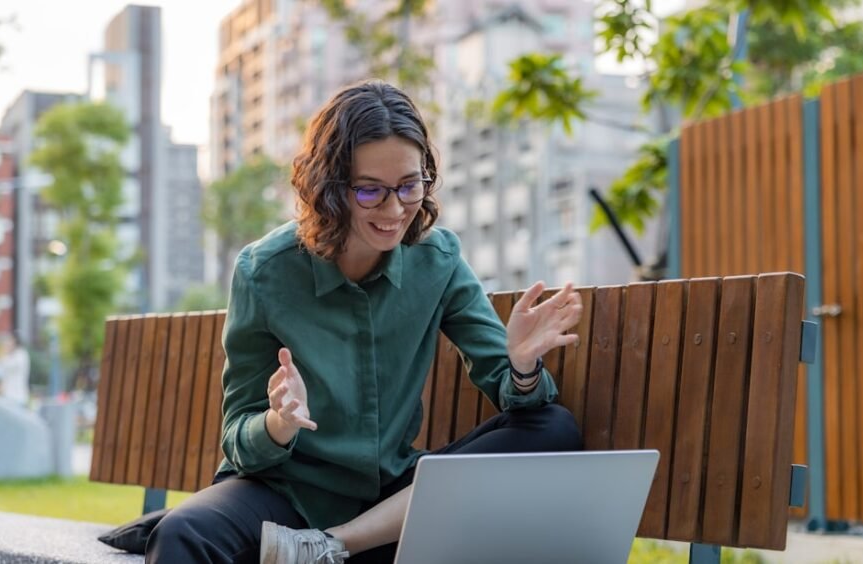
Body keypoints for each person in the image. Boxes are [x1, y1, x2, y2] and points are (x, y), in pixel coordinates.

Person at [145, 81, 585, 564]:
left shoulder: (437, 261)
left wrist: (521, 365)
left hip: (386, 507)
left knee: (553, 428)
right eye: (370, 190)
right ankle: (325, 544)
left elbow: (515, 395)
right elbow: (238, 437)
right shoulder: (264, 273)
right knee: (182, 534)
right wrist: (277, 423)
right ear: (329, 189)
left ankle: (332, 546)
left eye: (409, 185)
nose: (395, 210)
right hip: (283, 497)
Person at [0, 333, 30, 406]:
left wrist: (4, 352)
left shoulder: (21, 355)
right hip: (9, 397)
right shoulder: (12, 355)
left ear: (14, 341)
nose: (6, 344)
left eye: (8, 341)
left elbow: (6, 365)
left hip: (17, 397)